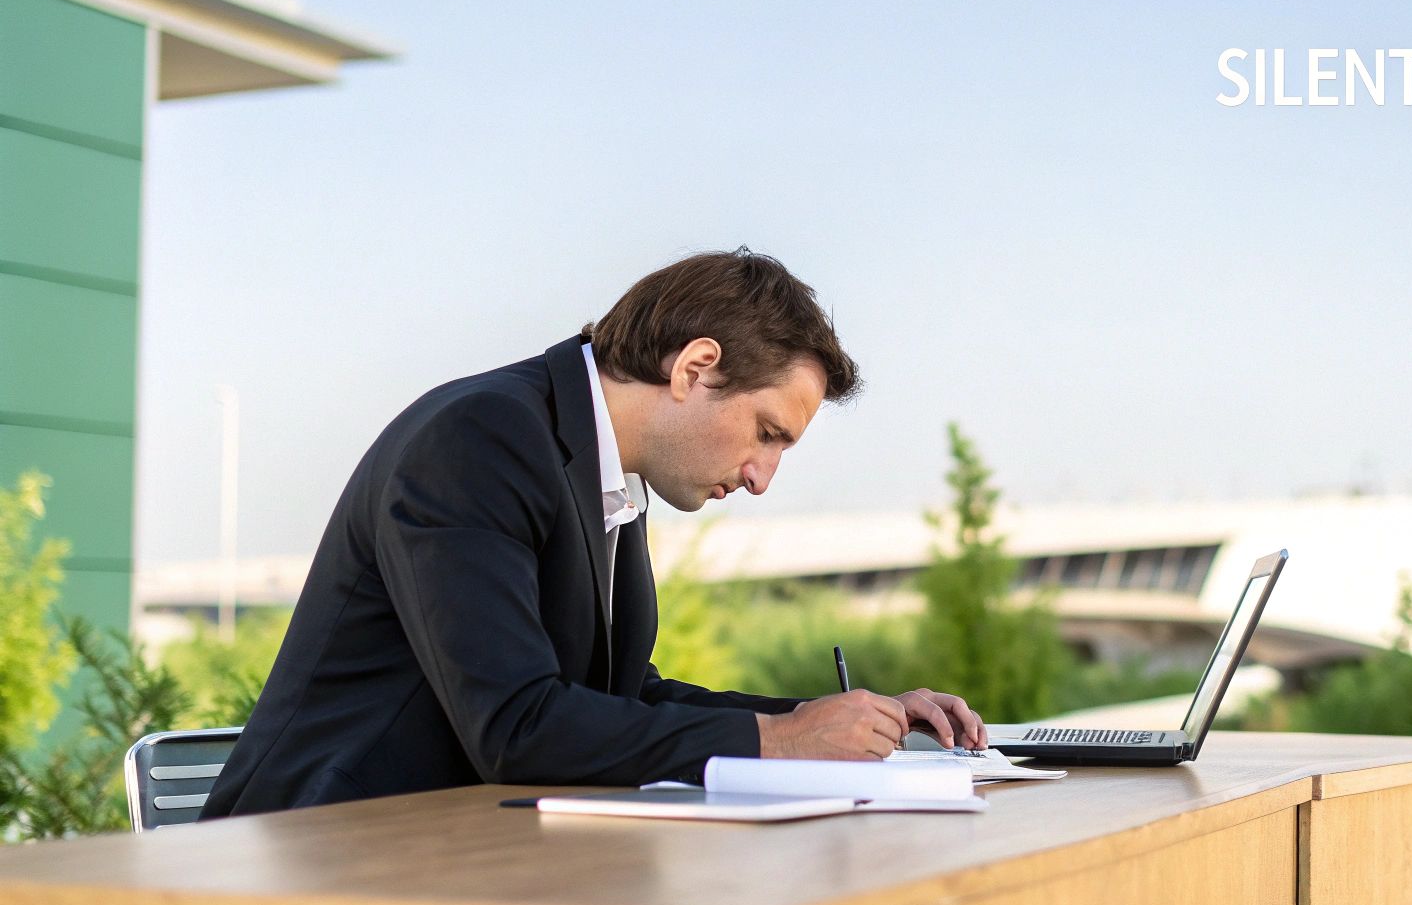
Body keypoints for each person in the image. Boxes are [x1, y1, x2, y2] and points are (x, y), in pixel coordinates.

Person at [202, 249, 985, 817]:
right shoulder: (481, 439)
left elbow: (618, 698)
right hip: (315, 855)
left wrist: (827, 719)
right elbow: (519, 727)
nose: (760, 477)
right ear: (695, 368)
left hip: (453, 850)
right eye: (767, 432)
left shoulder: (596, 468)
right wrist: (779, 741)